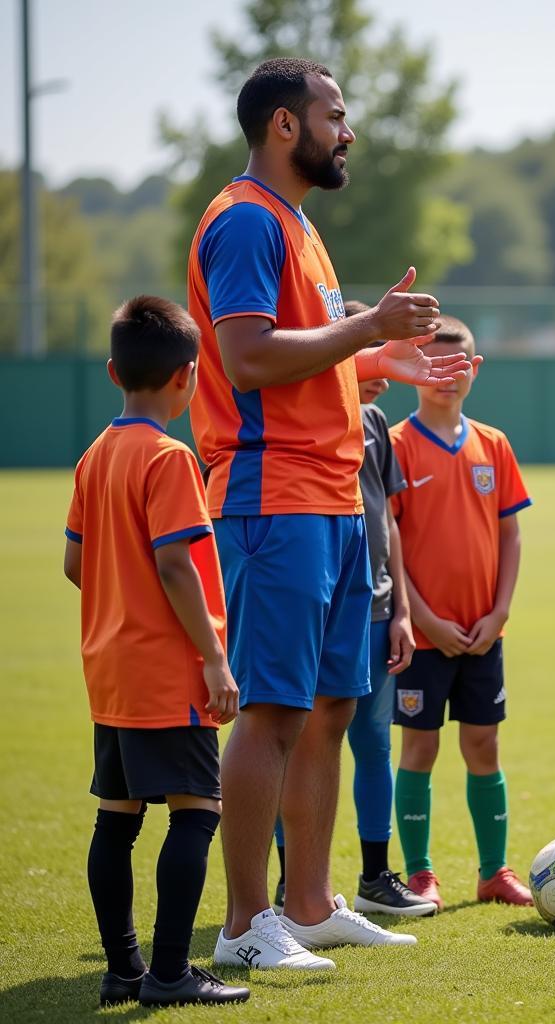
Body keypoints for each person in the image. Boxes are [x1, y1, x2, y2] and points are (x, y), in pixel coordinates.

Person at [186, 57, 474, 969]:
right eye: (334, 114)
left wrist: (370, 363)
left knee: (331, 708)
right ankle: (243, 925)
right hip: (272, 497)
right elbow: (246, 361)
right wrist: (365, 330)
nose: (347, 131)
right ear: (283, 125)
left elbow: (305, 361)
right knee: (270, 710)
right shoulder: (243, 222)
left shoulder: (297, 227)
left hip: (334, 498)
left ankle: (307, 905)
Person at [64, 296, 249, 1007]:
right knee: (197, 808)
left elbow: (76, 563)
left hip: (108, 669)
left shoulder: (94, 456)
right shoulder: (172, 458)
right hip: (167, 666)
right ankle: (170, 974)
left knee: (116, 815)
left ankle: (123, 969)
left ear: (115, 371)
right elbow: (176, 565)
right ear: (191, 378)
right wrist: (213, 659)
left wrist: (121, 593)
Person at [271, 300, 435, 917]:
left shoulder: (374, 422)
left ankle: (374, 875)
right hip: (318, 605)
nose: (387, 374)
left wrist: (400, 611)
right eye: (378, 354)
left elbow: (387, 520)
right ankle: (292, 884)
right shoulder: (303, 419)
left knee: (372, 742)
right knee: (299, 740)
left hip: (374, 608)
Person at [390, 315, 533, 910]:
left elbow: (511, 534)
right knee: (419, 750)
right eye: (433, 364)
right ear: (414, 371)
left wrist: (499, 613)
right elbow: (390, 541)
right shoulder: (396, 443)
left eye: (458, 365)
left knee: (483, 747)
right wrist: (422, 619)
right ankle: (420, 872)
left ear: (474, 369)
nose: (446, 376)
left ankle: (493, 871)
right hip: (423, 638)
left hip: (482, 633)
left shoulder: (492, 444)